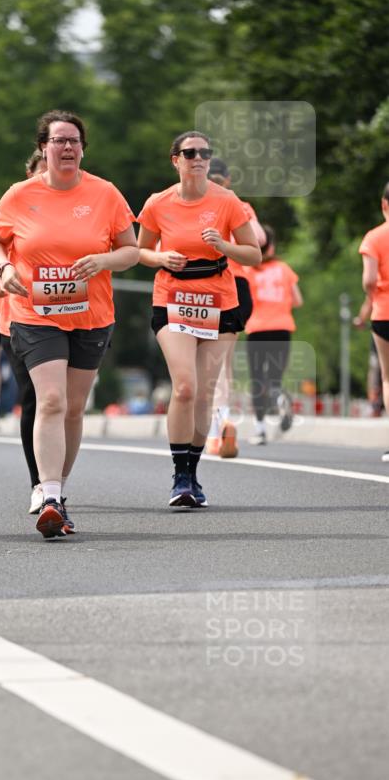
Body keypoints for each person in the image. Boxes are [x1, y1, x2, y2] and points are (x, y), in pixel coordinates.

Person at [0, 109, 139, 537]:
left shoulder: (105, 194)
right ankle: (49, 494)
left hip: (91, 315)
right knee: (50, 400)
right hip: (35, 314)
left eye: (74, 141)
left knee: (72, 407)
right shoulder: (19, 195)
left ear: (83, 148)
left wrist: (104, 260)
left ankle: (59, 488)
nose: (67, 147)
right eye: (59, 141)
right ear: (43, 148)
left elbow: (132, 250)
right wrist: (2, 270)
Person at [137, 130, 261, 508]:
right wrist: (161, 258)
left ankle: (192, 474)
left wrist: (224, 246)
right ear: (175, 159)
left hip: (219, 301)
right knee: (185, 386)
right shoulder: (158, 203)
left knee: (206, 390)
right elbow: (139, 251)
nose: (198, 158)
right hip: (173, 298)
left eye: (204, 152)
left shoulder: (227, 202)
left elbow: (254, 254)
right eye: (190, 153)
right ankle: (179, 474)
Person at [0, 148, 46, 514]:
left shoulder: (81, 202)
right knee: (36, 399)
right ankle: (40, 483)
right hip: (18, 318)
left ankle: (55, 475)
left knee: (64, 404)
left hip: (72, 319)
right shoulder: (17, 203)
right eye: (41, 172)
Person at [205, 158, 266, 458]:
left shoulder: (194, 201)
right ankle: (220, 422)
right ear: (227, 179)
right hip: (239, 286)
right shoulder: (240, 204)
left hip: (205, 284)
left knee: (203, 365)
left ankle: (215, 430)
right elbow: (261, 239)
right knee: (224, 363)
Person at [244, 225, 303, 445]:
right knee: (275, 378)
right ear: (273, 246)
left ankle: (260, 430)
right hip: (282, 328)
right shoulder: (284, 269)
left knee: (257, 379)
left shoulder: (249, 271)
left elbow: (244, 301)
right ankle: (279, 396)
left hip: (257, 329)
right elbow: (298, 300)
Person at [356, 181, 389, 461]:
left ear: (384, 205)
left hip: (384, 312)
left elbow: (368, 279)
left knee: (388, 377)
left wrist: (374, 294)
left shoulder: (374, 237)